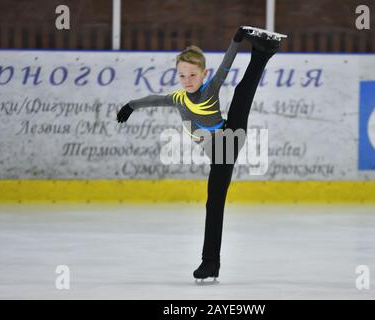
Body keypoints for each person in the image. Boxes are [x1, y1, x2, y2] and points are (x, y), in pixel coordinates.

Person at [117, 26, 282, 281]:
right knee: (213, 202)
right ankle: (263, 53)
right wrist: (130, 106)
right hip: (218, 144)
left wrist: (236, 41)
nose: (187, 80)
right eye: (182, 75)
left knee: (214, 202)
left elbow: (226, 65)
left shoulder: (209, 89)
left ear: (203, 74)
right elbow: (154, 98)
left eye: (193, 75)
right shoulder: (178, 98)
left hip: (227, 142)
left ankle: (209, 262)